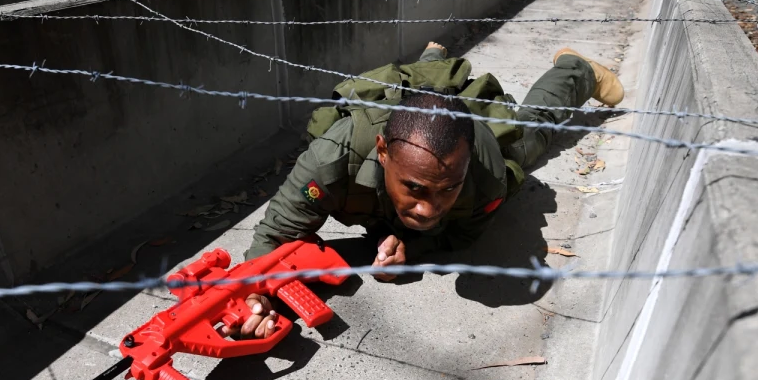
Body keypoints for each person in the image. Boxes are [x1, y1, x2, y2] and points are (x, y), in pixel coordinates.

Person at [224, 42, 623, 339]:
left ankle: (576, 68)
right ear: (382, 152)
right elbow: (276, 234)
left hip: (474, 130)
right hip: (405, 111)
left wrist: (412, 246)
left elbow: (461, 234)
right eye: (414, 188)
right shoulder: (332, 158)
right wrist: (257, 295)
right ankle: (433, 61)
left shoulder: (484, 178)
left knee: (534, 131)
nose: (429, 209)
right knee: (417, 87)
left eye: (447, 190)